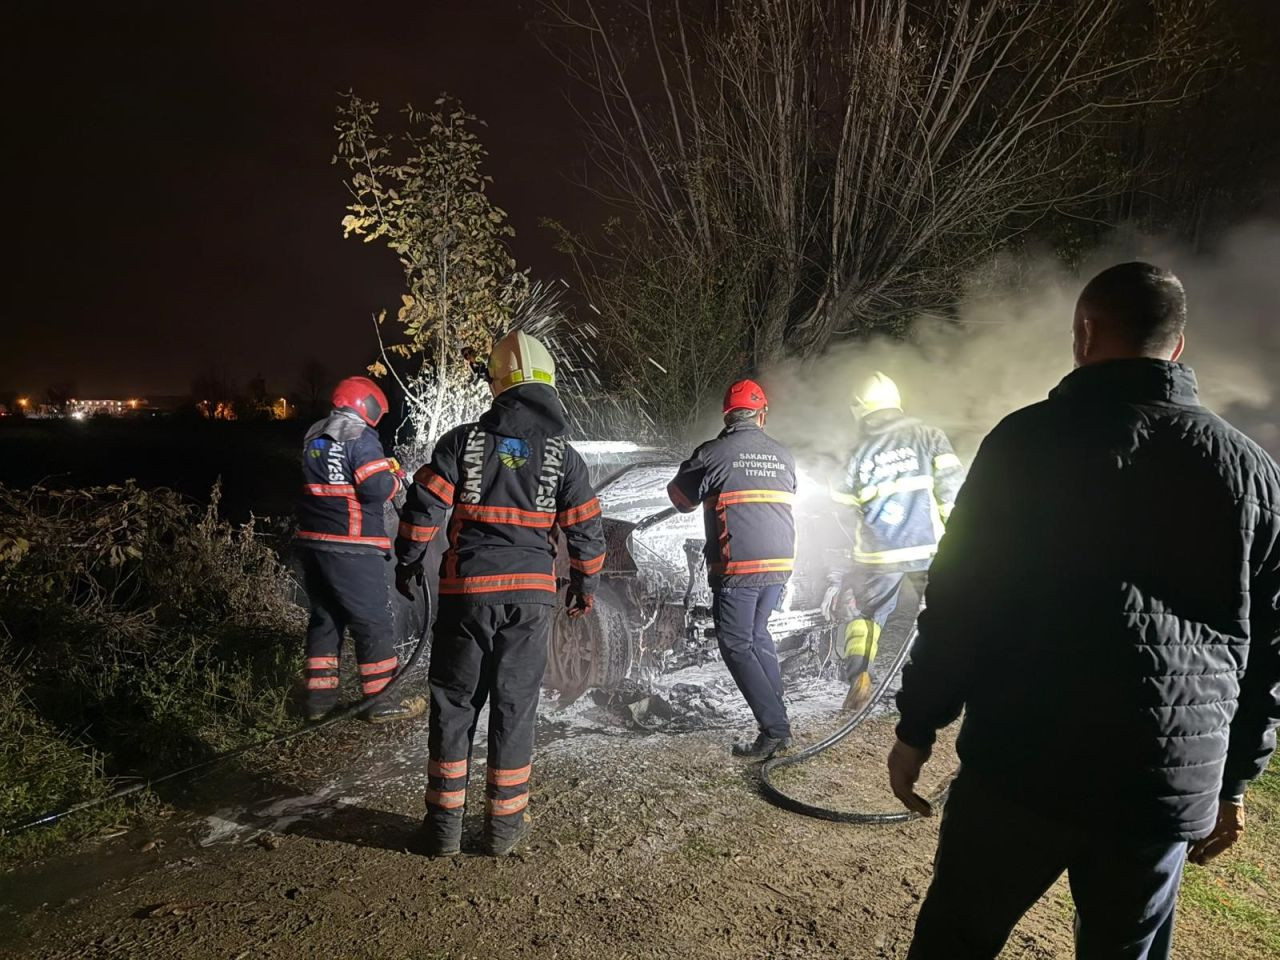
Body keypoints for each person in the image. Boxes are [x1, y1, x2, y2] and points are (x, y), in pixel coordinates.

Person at [889, 261, 1280, 959]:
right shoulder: (1253, 472)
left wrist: (918, 726)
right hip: (1159, 786)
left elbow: (960, 599)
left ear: (1085, 334)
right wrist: (1235, 781)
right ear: (1178, 346)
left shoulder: (1024, 442)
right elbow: (1270, 647)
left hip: (1022, 765)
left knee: (956, 940)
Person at [395, 330, 605, 858]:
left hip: (466, 593)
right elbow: (587, 530)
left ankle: (442, 830)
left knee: (454, 704)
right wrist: (585, 586)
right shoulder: (563, 456)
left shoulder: (462, 442)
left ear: (497, 385)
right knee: (515, 706)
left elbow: (423, 507)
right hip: (531, 599)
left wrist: (408, 560)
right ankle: (504, 830)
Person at [667, 379, 798, 759]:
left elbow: (680, 500)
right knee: (757, 635)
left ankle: (775, 729)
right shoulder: (784, 455)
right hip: (781, 563)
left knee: (735, 644)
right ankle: (777, 718)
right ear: (762, 415)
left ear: (727, 416)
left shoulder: (712, 452)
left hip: (739, 565)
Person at [827, 372, 964, 712]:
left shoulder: (855, 449)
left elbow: (842, 507)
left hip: (878, 553)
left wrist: (863, 536)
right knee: (942, 614)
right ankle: (944, 684)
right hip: (928, 548)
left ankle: (860, 675)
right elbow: (952, 492)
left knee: (865, 615)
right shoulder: (929, 436)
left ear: (860, 408)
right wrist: (958, 538)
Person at [295, 376, 426, 723]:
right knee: (373, 620)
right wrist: (395, 478)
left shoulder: (314, 435)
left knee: (326, 619)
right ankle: (380, 701)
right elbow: (374, 489)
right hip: (352, 546)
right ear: (365, 405)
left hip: (314, 544)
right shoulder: (361, 436)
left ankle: (319, 701)